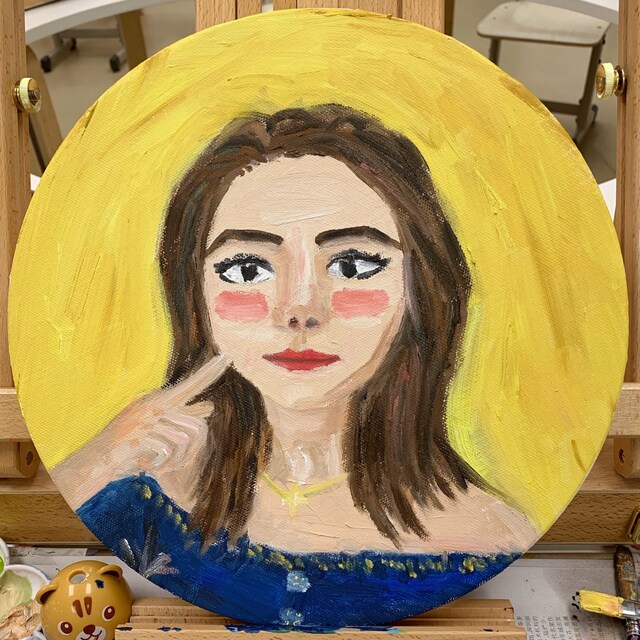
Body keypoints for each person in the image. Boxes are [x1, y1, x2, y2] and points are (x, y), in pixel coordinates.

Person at [51, 104, 537, 626]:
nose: (299, 307)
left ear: (420, 289)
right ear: (194, 294)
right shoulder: (132, 486)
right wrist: (101, 459)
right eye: (247, 268)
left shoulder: (489, 535)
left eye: (353, 264)